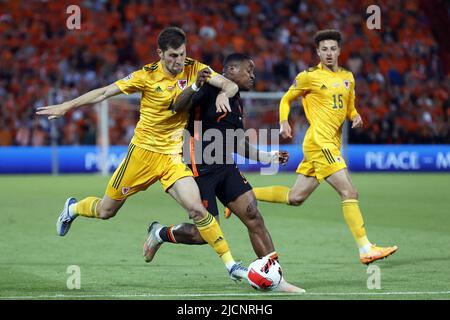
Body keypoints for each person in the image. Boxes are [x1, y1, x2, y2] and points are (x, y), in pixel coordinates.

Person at [36, 27, 247, 281]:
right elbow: (104, 92)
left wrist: (224, 93)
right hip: (142, 155)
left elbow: (229, 84)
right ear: (160, 53)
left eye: (181, 54)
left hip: (171, 157)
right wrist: (67, 106)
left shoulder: (194, 68)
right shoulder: (145, 76)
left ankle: (231, 266)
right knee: (106, 211)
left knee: (198, 210)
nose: (178, 61)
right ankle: (73, 208)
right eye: (172, 56)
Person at [142, 53, 304, 293]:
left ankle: (275, 277)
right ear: (230, 71)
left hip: (225, 165)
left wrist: (267, 157)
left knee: (253, 215)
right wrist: (199, 86)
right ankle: (160, 233)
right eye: (248, 70)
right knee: (202, 234)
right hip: (198, 168)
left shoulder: (236, 100)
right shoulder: (207, 89)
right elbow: (176, 107)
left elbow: (238, 142)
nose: (253, 75)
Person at [251, 30, 398, 265]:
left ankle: (242, 195)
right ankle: (365, 248)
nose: (328, 53)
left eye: (332, 49)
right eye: (324, 49)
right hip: (320, 142)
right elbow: (286, 99)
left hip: (328, 143)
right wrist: (283, 121)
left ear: (339, 51)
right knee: (349, 192)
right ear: (317, 52)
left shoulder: (348, 77)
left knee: (295, 196)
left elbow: (349, 106)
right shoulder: (308, 76)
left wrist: (356, 115)